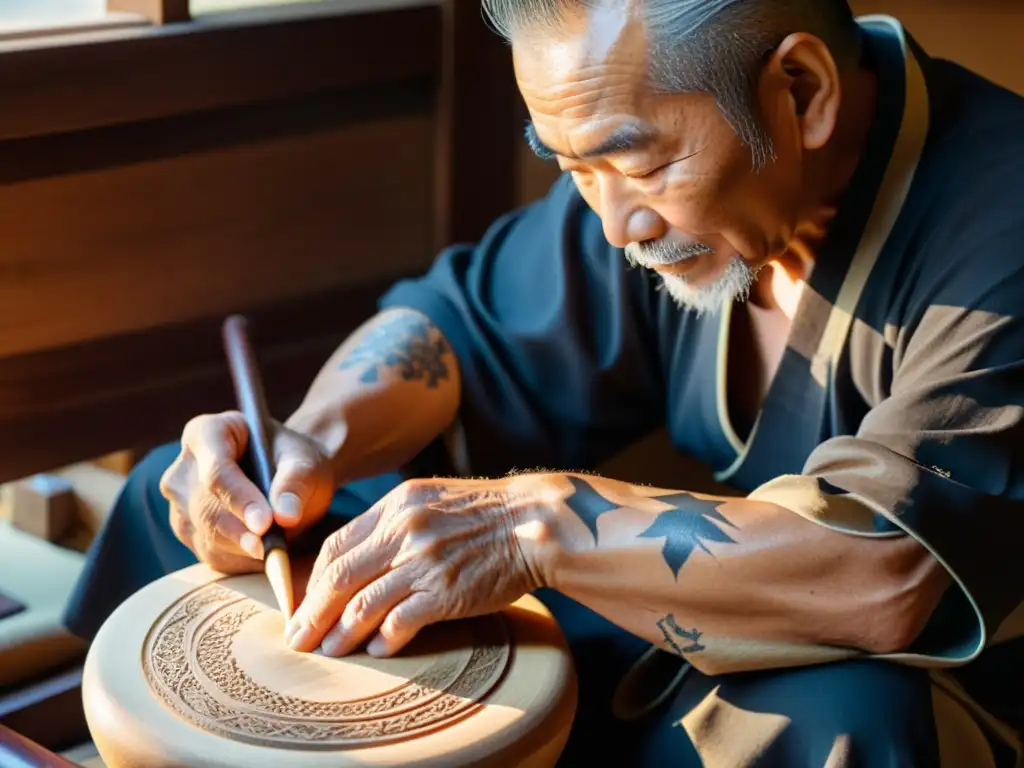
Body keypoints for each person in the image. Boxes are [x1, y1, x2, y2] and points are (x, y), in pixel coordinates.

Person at [65, 0, 1024, 764]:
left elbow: (891, 573)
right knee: (195, 518)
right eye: (573, 169)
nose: (615, 226)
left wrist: (540, 525)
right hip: (678, 624)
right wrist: (310, 442)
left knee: (841, 715)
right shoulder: (663, 184)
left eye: (636, 164)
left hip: (913, 681)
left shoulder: (1001, 213)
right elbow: (457, 325)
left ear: (802, 89)